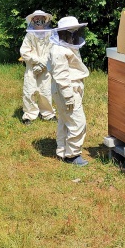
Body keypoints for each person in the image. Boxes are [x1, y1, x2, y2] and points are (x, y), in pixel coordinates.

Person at [48, 16, 90, 166]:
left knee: (65, 120)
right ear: (63, 33)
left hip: (70, 88)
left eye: (76, 32)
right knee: (78, 122)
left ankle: (62, 150)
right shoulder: (59, 50)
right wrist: (69, 97)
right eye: (71, 33)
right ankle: (72, 155)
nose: (74, 36)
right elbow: (61, 76)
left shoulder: (67, 47)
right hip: (66, 90)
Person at [20, 10, 57, 125]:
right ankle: (29, 116)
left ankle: (47, 113)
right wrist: (37, 61)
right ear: (32, 20)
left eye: (41, 18)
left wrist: (43, 63)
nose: (39, 20)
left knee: (45, 90)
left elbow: (52, 51)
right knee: (29, 91)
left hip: (46, 67)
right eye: (36, 18)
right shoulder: (29, 35)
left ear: (46, 20)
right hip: (31, 67)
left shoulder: (50, 35)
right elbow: (24, 52)